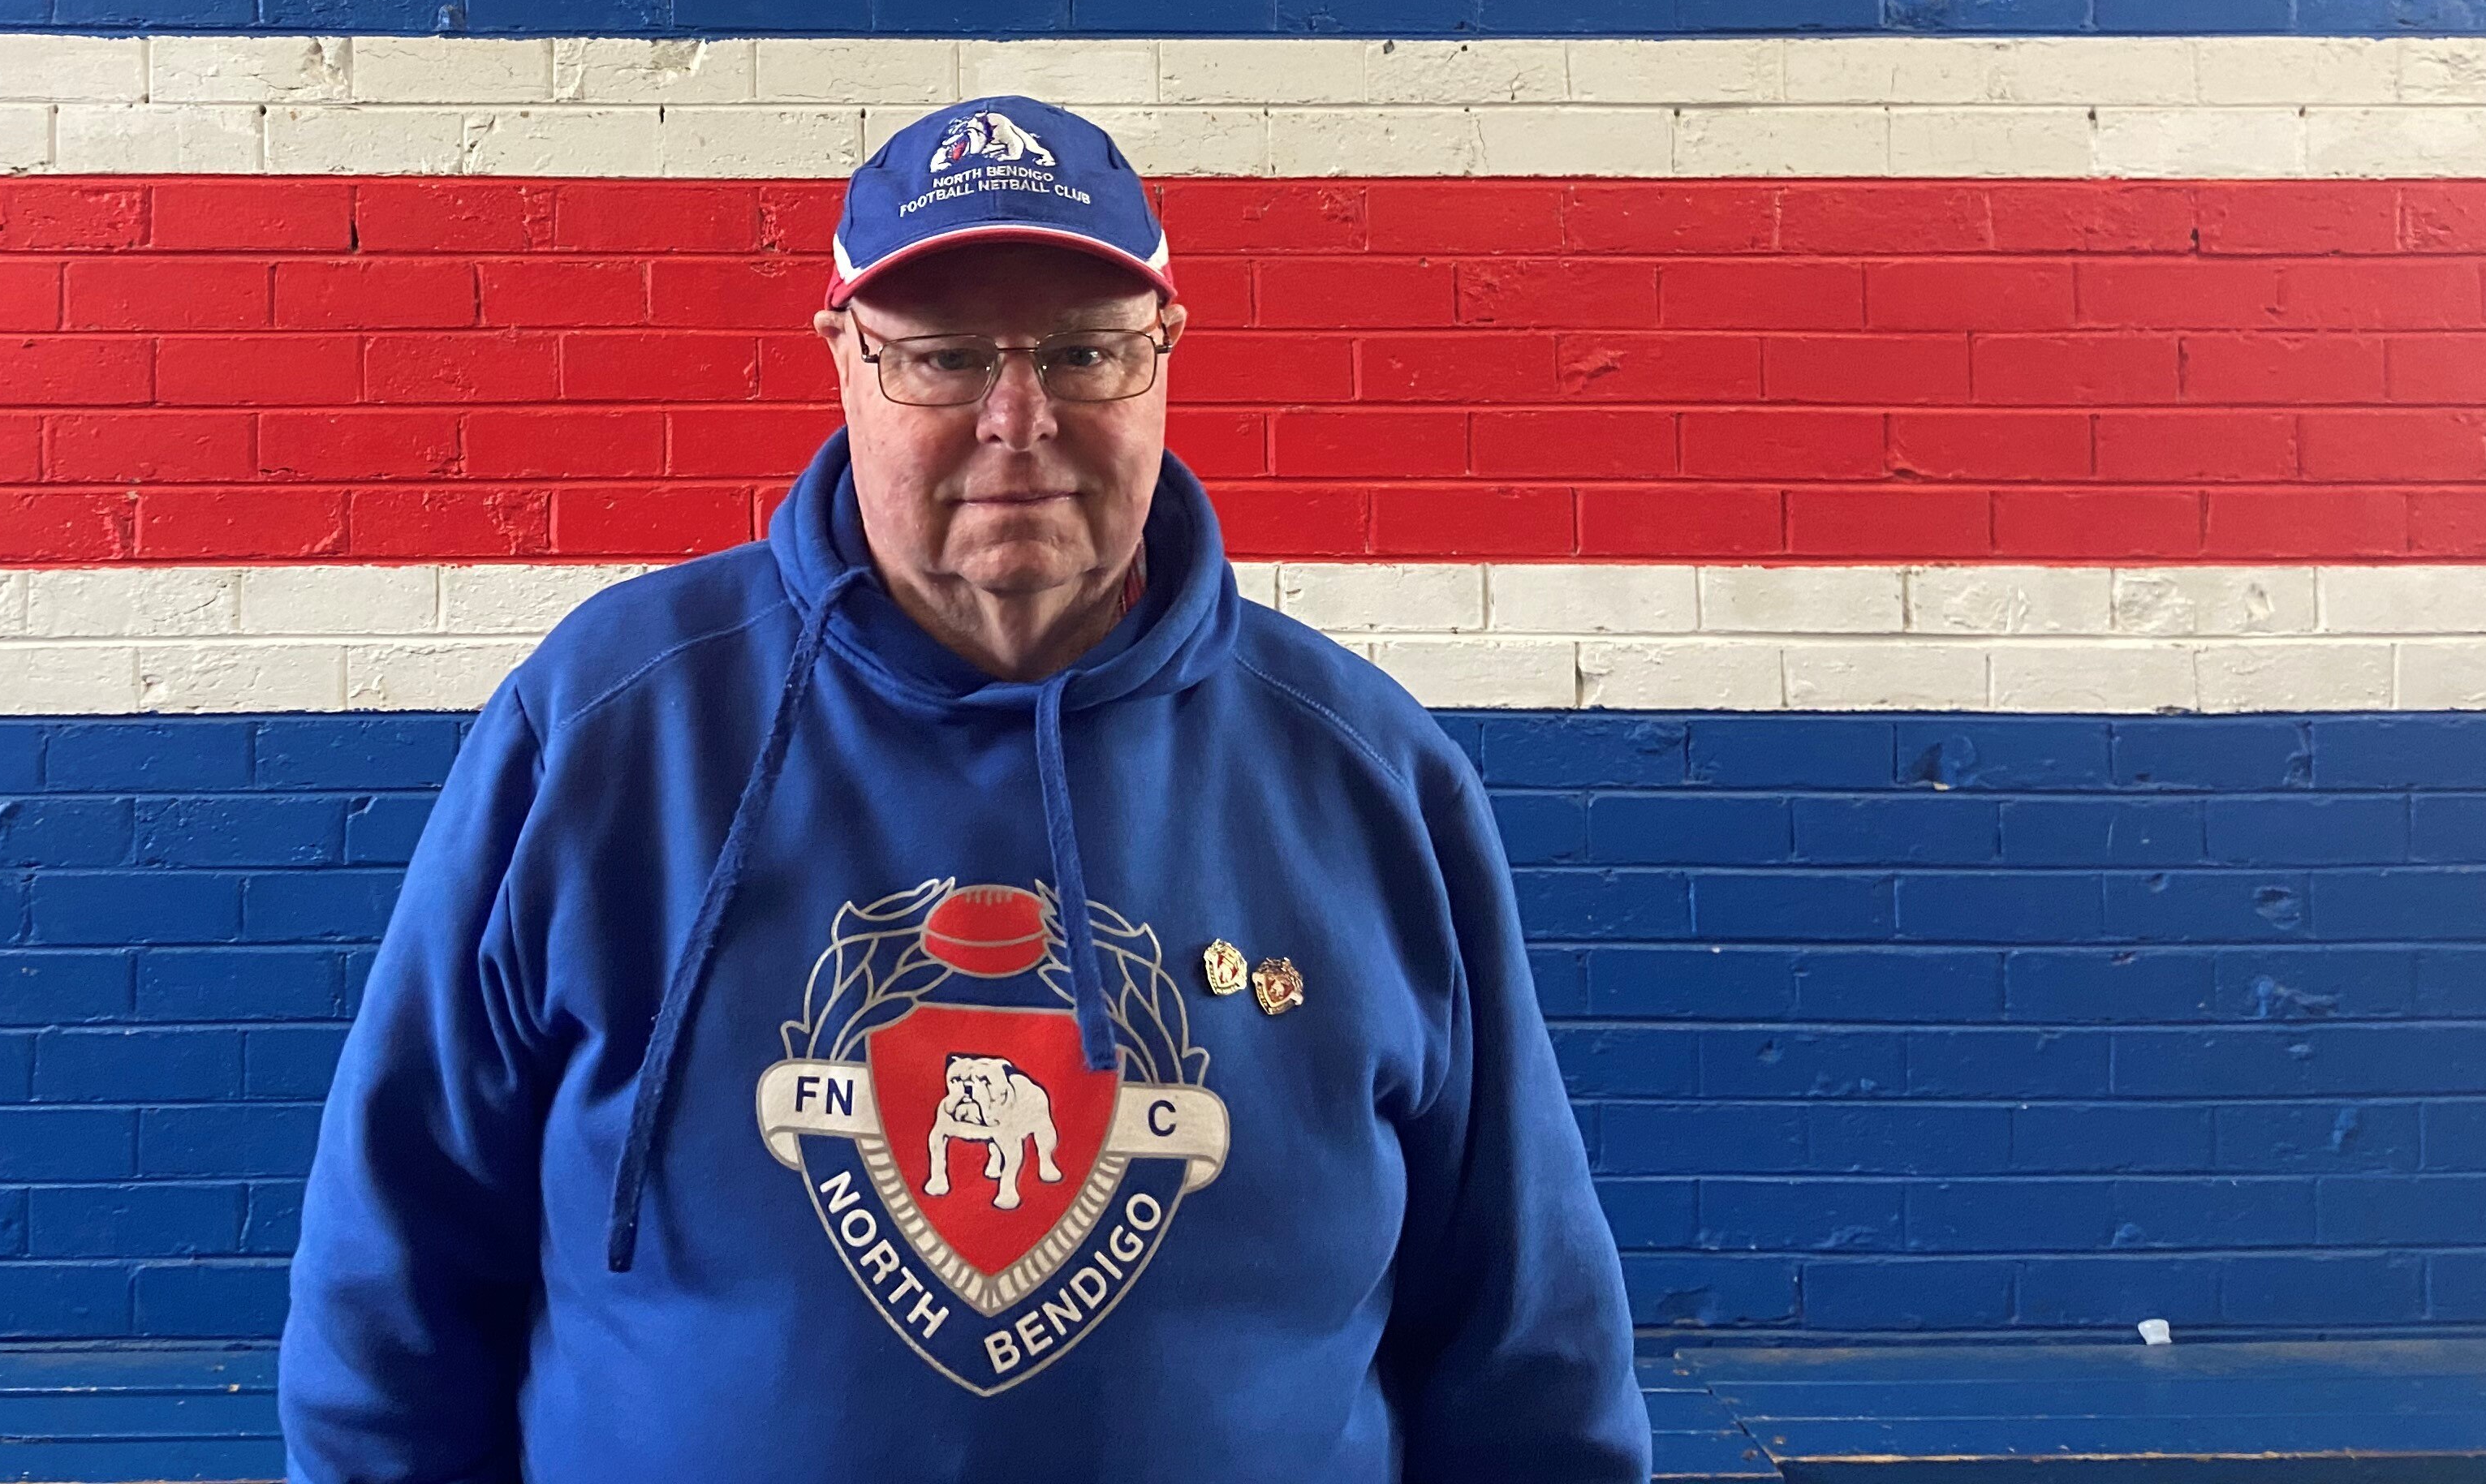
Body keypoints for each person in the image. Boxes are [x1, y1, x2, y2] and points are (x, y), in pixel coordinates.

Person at [279, 96, 1646, 1483]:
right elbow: (390, 1289)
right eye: (942, 359)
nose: (1018, 419)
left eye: (1085, 352)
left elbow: (1528, 1352)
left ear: (1165, 352)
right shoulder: (606, 730)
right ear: (844, 359)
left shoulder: (1372, 779)